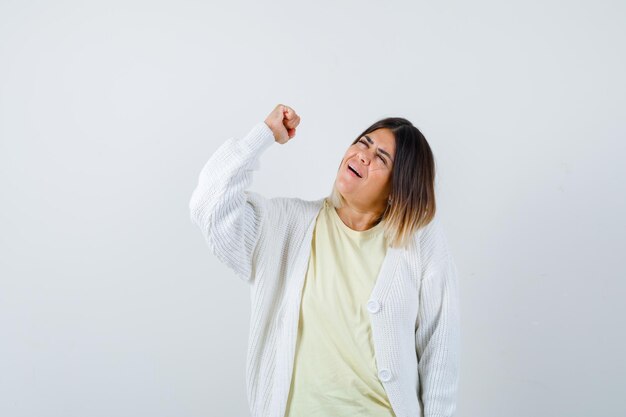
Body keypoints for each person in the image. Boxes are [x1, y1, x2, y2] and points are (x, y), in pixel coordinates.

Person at [189, 104, 461, 417]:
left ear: (398, 188)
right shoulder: (285, 226)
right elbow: (207, 203)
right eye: (363, 143)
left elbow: (440, 353)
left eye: (381, 158)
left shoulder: (420, 242)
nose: (363, 155)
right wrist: (263, 135)